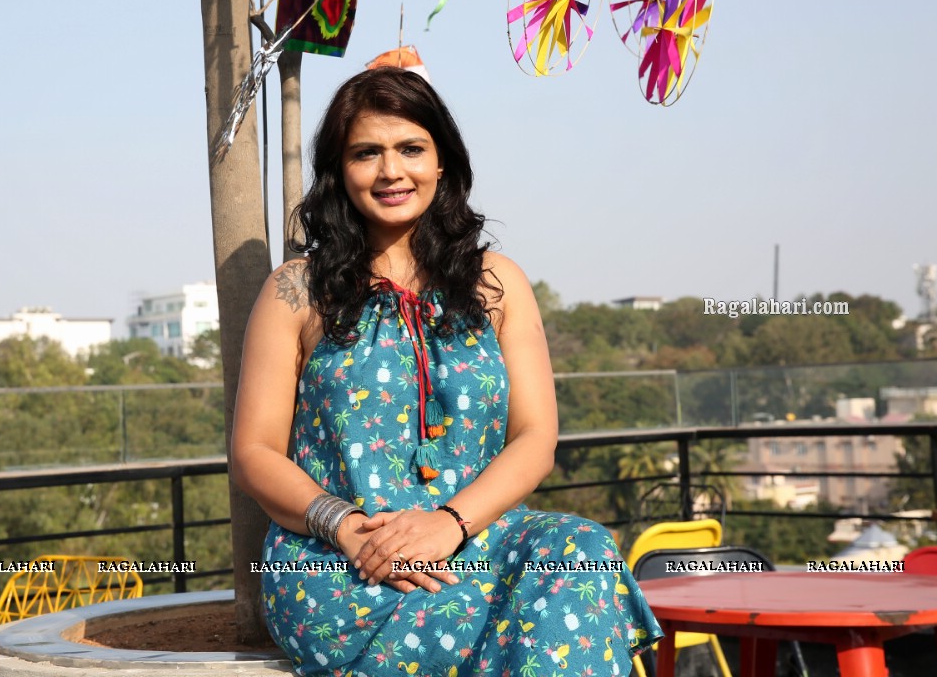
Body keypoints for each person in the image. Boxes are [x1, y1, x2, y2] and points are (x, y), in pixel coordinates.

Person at [231, 67, 662, 676]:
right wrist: (349, 528)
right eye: (366, 153)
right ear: (339, 170)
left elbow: (536, 437)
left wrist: (449, 525)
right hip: (341, 563)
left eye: (411, 148)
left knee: (582, 554)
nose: (390, 171)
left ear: (442, 162)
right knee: (538, 625)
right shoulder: (297, 291)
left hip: (475, 537)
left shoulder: (497, 282)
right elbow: (254, 451)